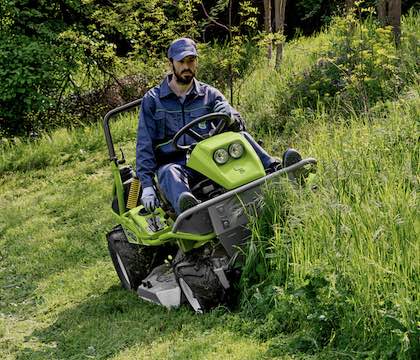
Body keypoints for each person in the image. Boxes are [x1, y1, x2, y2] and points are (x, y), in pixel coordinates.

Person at [136, 38, 300, 215]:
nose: (186, 66)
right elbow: (144, 144)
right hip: (177, 164)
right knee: (169, 171)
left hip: (212, 158)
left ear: (196, 62)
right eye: (181, 62)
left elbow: (239, 126)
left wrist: (231, 117)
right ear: (171, 63)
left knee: (240, 138)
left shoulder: (209, 94)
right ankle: (189, 209)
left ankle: (277, 169)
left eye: (190, 61)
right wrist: (147, 185)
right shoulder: (153, 100)